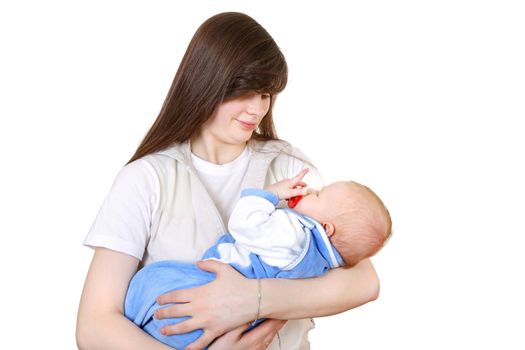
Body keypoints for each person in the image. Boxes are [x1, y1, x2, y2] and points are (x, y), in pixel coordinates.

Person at [76, 12, 381, 350]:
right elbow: (95, 325)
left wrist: (254, 299)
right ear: (206, 81)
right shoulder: (146, 179)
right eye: (246, 91)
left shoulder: (289, 169)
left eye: (265, 94)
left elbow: (364, 282)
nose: (257, 109)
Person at [124, 168, 392, 349]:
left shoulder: (294, 235)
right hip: (239, 325)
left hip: (215, 283)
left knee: (153, 280)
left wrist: (269, 195)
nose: (310, 192)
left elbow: (244, 224)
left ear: (326, 228)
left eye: (318, 196)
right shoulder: (320, 260)